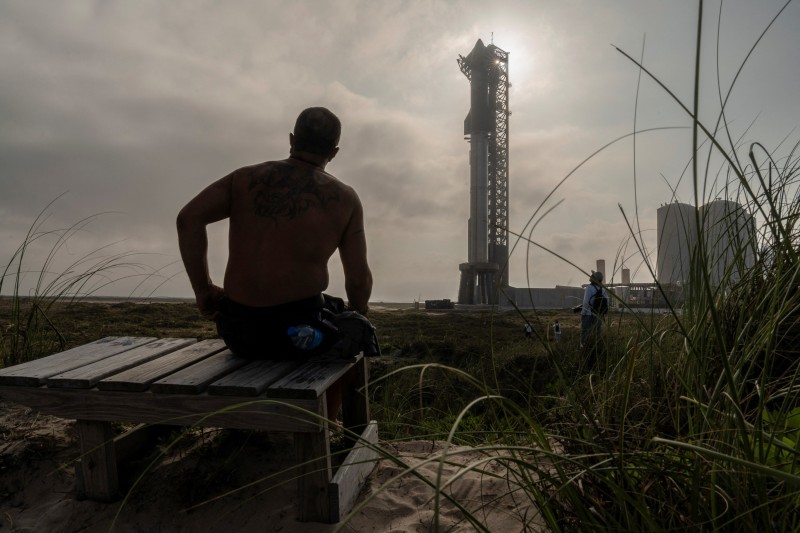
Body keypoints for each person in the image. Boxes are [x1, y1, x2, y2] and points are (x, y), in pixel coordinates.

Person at [176, 106, 373, 364]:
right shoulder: (345, 199)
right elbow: (358, 282)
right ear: (333, 152)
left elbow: (188, 219)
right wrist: (359, 313)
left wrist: (203, 290)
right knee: (354, 328)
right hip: (301, 334)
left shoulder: (244, 178)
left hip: (239, 332)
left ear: (292, 139)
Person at [580, 271, 607, 348]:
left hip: (588, 314)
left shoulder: (589, 288)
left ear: (595, 279)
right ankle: (596, 349)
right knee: (597, 334)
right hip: (599, 315)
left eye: (592, 275)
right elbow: (606, 303)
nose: (590, 276)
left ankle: (583, 349)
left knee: (585, 333)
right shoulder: (603, 289)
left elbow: (586, 302)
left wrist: (583, 313)